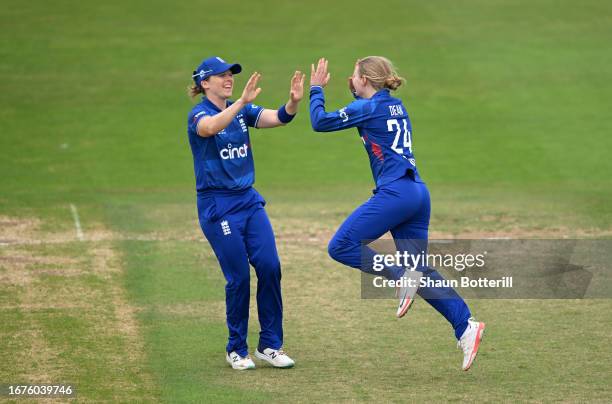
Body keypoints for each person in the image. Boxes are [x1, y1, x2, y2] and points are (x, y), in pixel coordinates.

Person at [309, 56, 485, 371]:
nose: (350, 79)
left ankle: (400, 276)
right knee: (421, 270)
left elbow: (320, 121)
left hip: (396, 195)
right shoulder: (396, 105)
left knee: (341, 247)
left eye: (353, 75)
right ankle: (465, 326)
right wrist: (356, 94)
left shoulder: (368, 108)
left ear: (364, 79)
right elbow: (370, 117)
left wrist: (316, 90)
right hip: (418, 193)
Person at [187, 56, 304, 370]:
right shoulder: (199, 113)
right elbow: (210, 128)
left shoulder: (242, 111)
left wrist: (292, 103)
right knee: (238, 278)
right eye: (221, 75)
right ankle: (236, 348)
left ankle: (270, 345)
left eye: (230, 75)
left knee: (269, 266)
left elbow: (278, 118)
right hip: (217, 206)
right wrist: (240, 102)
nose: (228, 79)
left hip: (248, 202)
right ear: (204, 83)